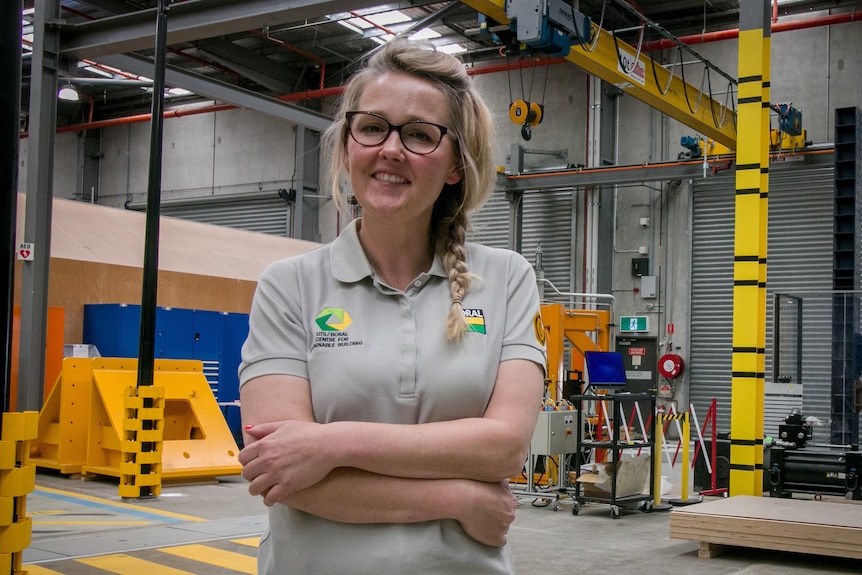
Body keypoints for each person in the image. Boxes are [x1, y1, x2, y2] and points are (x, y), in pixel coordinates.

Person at [238, 38, 547, 575]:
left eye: (420, 134)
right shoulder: (289, 287)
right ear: (347, 147)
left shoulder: (506, 280)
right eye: (373, 127)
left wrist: (329, 445)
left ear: (455, 165)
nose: (391, 149)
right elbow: (279, 472)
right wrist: (461, 500)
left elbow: (502, 449)